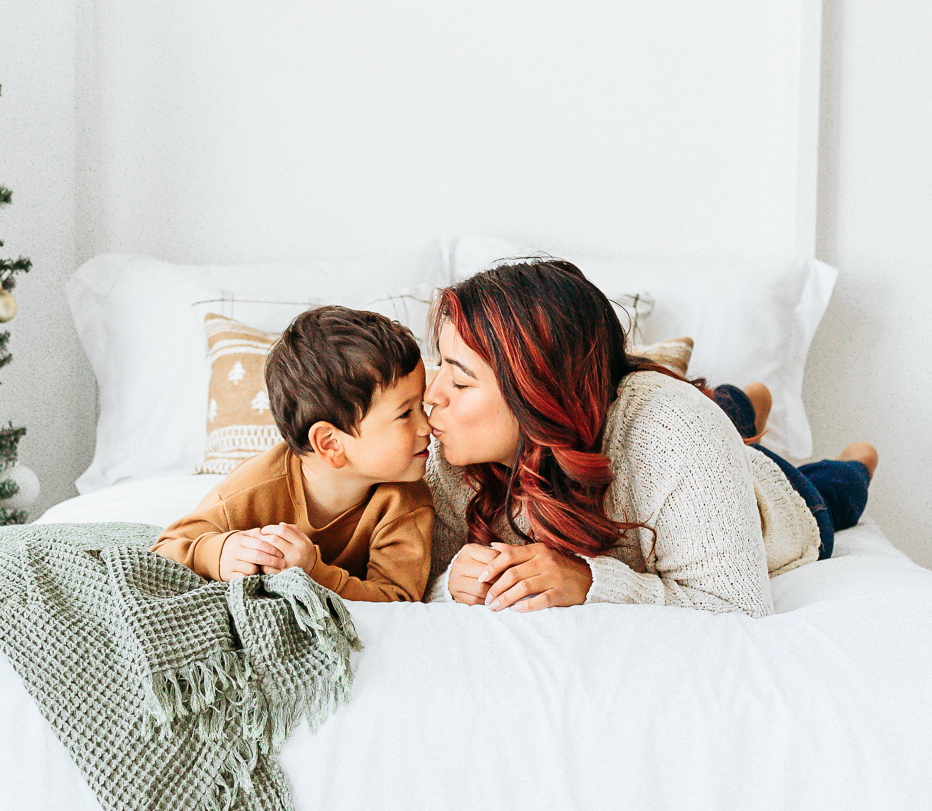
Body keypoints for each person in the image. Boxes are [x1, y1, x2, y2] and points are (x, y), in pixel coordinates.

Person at [423, 257, 871, 615]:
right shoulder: (446, 446)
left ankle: (856, 460)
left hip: (768, 496)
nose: (431, 395)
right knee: (721, 412)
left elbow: (737, 606)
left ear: (538, 394)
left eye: (460, 382)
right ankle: (744, 406)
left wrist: (588, 581)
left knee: (836, 490)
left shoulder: (673, 432)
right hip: (689, 437)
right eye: (439, 364)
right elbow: (416, 579)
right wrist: (451, 580)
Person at [153, 305, 435, 603]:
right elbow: (163, 553)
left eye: (422, 406)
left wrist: (315, 573)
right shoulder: (254, 487)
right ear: (330, 443)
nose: (427, 425)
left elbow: (398, 600)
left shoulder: (406, 499)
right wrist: (217, 553)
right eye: (405, 414)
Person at [710, 381, 877, 565]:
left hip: (737, 460)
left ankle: (753, 442)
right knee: (864, 458)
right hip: (789, 505)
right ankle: (753, 445)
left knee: (739, 397)